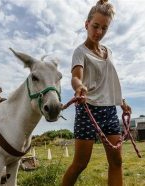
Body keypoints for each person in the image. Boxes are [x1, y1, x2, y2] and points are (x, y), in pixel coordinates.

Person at [61, 0, 131, 186]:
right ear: (86, 24)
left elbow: (109, 81)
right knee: (80, 164)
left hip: (109, 111)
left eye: (104, 28)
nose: (99, 32)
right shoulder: (80, 52)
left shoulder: (109, 51)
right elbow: (76, 77)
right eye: (95, 26)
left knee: (117, 161)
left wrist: (121, 101)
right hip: (88, 110)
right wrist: (79, 87)